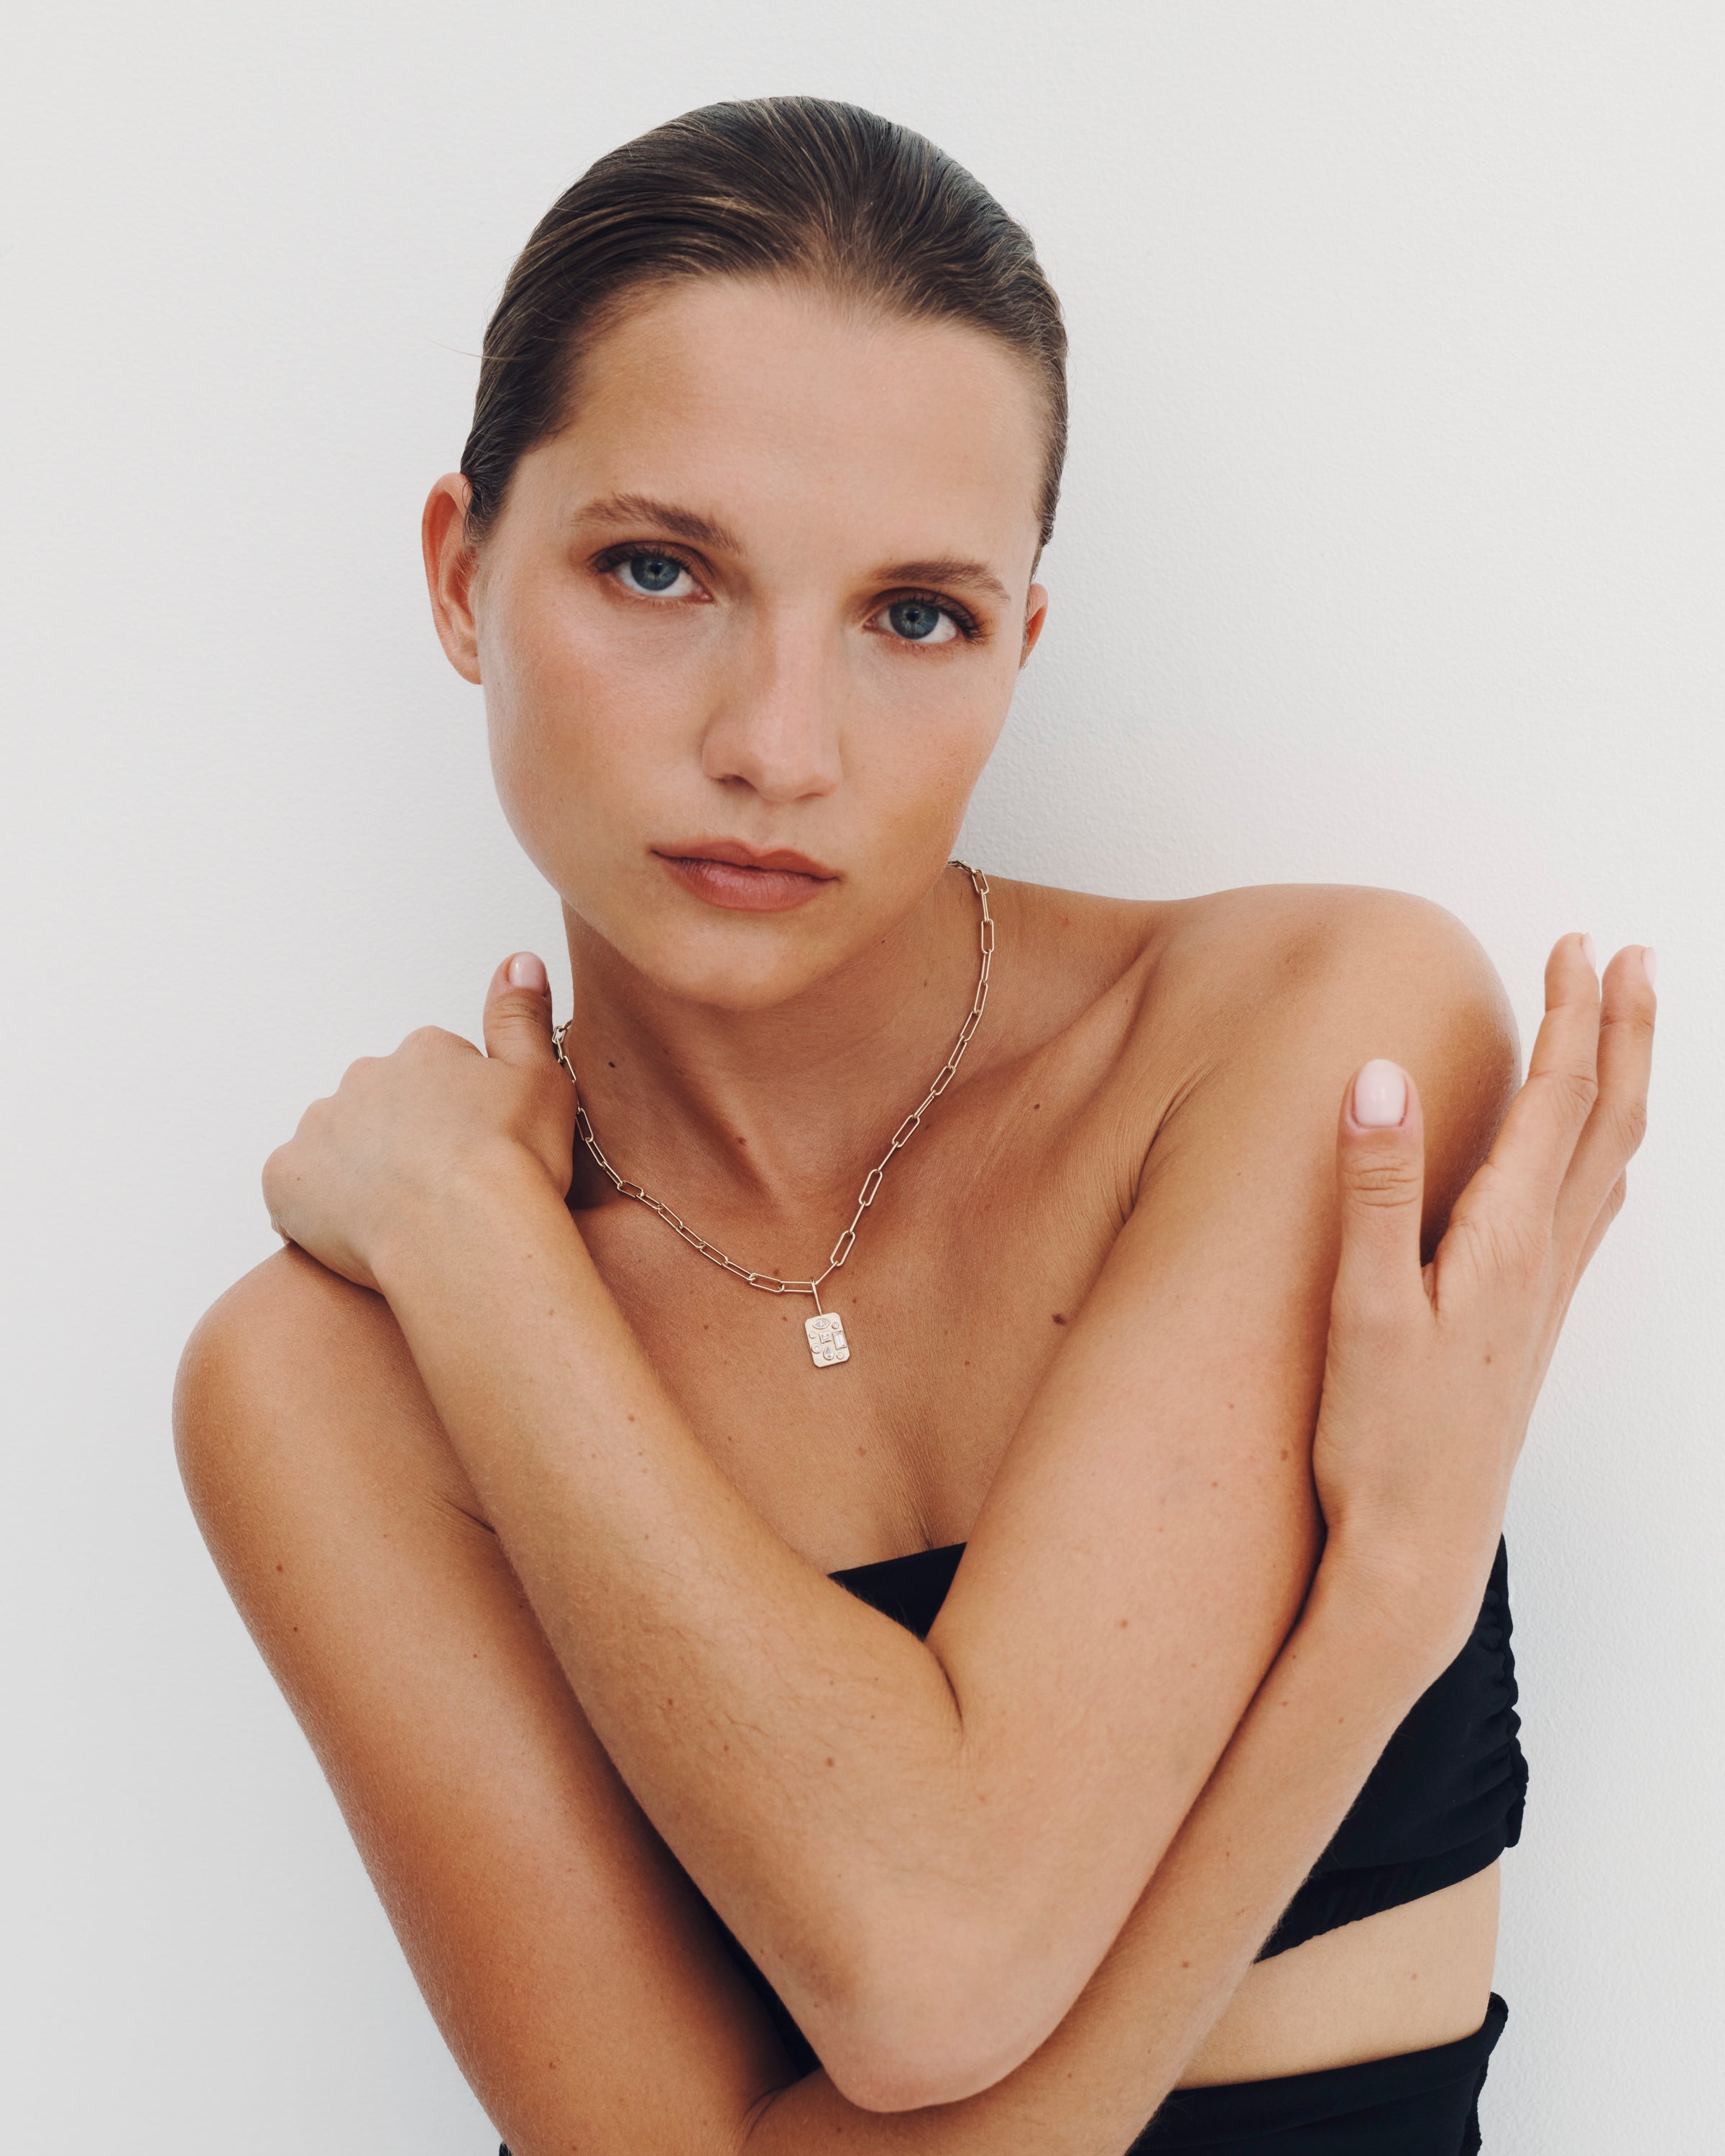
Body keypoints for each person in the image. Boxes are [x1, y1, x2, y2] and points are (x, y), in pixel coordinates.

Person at [173, 98, 1655, 2155]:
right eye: (659, 569)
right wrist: (1358, 1644)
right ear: (460, 572)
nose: (779, 745)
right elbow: (919, 1974)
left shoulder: (1318, 1042)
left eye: (915, 616)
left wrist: (473, 1253)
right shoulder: (332, 1380)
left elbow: (936, 1955)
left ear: (1019, 645)